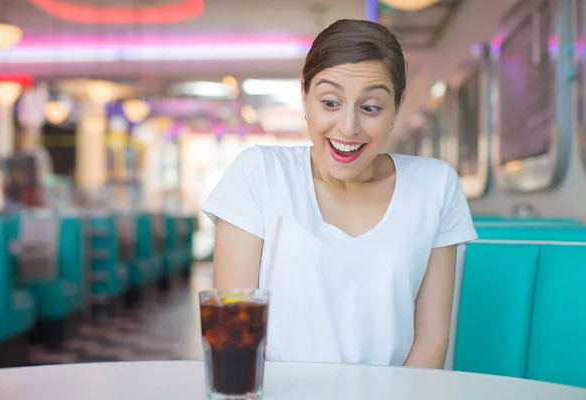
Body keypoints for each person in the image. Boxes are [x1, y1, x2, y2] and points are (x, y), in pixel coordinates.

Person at [201, 19, 478, 369]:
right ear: (305, 96)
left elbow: (431, 340)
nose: (348, 127)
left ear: (397, 105)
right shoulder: (259, 173)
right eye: (330, 102)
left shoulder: (435, 186)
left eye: (371, 107)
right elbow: (232, 333)